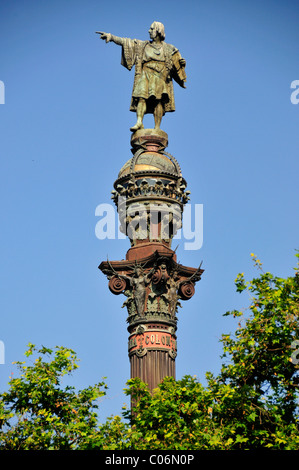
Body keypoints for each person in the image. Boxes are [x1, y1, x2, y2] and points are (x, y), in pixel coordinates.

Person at [97, 21, 186, 131]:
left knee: (158, 101)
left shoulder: (170, 48)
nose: (149, 31)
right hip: (145, 74)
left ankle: (157, 128)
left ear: (158, 31)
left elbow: (177, 67)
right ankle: (139, 122)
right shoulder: (142, 45)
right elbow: (127, 42)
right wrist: (111, 37)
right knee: (141, 98)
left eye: (151, 29)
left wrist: (181, 64)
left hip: (160, 76)